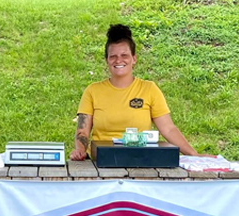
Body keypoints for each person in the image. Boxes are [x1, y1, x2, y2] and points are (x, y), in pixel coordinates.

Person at [70, 24, 209, 160]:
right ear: (107, 60)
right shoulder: (93, 91)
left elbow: (168, 129)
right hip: (101, 161)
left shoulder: (149, 89)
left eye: (124, 55)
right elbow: (82, 131)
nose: (119, 60)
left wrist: (194, 155)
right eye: (113, 56)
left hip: (140, 160)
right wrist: (80, 151)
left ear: (134, 59)